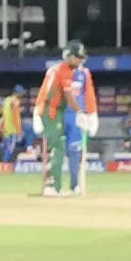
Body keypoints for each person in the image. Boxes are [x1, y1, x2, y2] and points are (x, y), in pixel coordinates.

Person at [32, 41, 97, 196]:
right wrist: (38, 111)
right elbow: (50, 93)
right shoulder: (57, 70)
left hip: (67, 114)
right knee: (55, 149)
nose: (81, 60)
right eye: (78, 57)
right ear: (69, 56)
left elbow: (85, 94)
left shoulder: (78, 72)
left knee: (69, 149)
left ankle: (66, 186)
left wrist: (91, 113)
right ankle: (51, 186)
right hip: (54, 113)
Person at [0, 85, 26, 161]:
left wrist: (1, 127)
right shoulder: (16, 101)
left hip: (5, 130)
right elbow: (16, 117)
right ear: (17, 93)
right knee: (10, 149)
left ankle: (4, 165)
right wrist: (19, 130)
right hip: (12, 130)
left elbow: (4, 115)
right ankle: (6, 166)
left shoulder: (7, 100)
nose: (22, 94)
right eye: (21, 93)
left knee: (7, 148)